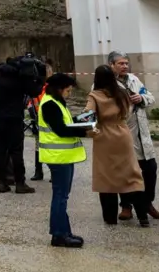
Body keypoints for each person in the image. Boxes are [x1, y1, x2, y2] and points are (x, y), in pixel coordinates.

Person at [85, 64, 149, 227]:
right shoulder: (122, 93)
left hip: (105, 135)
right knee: (131, 174)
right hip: (122, 133)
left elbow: (88, 117)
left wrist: (92, 132)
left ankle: (110, 218)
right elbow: (128, 111)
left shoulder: (95, 95)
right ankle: (143, 216)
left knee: (106, 177)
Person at [39, 73, 97, 248]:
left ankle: (64, 232)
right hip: (58, 157)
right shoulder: (50, 104)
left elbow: (67, 122)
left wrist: (82, 120)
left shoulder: (56, 102)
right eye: (68, 91)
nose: (69, 94)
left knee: (62, 196)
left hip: (62, 156)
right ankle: (59, 235)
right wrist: (85, 132)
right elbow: (61, 130)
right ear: (58, 89)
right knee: (60, 196)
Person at [109, 51, 159, 220]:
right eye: (121, 63)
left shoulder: (134, 80)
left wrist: (141, 98)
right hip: (122, 133)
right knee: (125, 171)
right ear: (112, 65)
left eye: (126, 63)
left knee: (150, 169)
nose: (125, 66)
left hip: (142, 133)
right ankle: (126, 206)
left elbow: (150, 97)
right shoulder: (106, 83)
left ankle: (147, 203)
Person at [0, 57, 40, 194]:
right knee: (16, 152)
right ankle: (20, 183)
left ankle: (1, 183)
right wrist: (36, 77)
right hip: (14, 120)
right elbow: (34, 91)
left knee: (0, 152)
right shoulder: (19, 79)